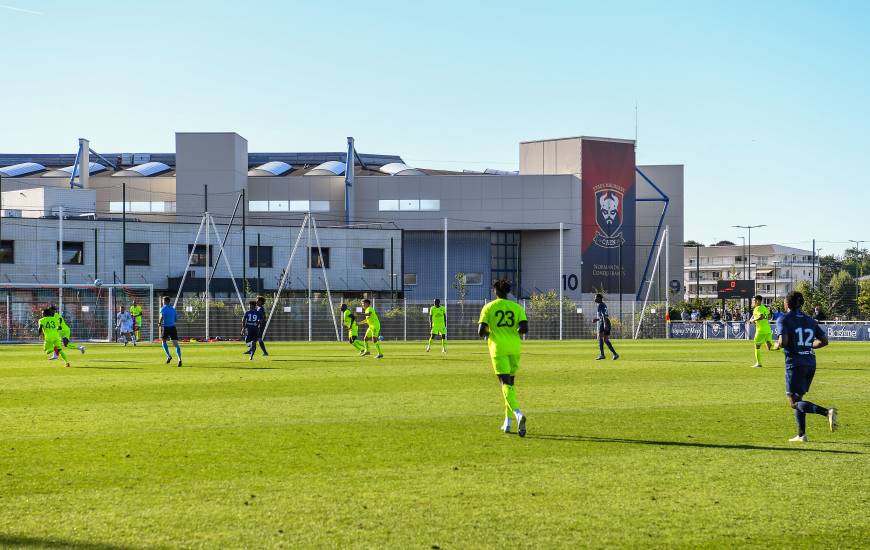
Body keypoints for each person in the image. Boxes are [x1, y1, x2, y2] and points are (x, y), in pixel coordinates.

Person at [773, 291, 838, 442]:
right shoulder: (810, 320)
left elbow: (783, 342)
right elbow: (824, 341)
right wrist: (807, 346)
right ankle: (802, 435)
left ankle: (827, 412)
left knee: (793, 402)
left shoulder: (784, 319)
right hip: (810, 362)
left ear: (787, 304)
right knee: (799, 398)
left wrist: (776, 345)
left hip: (795, 363)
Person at [478, 279, 529, 436]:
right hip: (514, 348)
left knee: (504, 384)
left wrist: (491, 333)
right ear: (507, 291)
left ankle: (518, 413)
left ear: (495, 291)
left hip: (498, 348)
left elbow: (481, 331)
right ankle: (508, 422)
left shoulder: (489, 307)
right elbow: (524, 329)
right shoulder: (517, 307)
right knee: (510, 386)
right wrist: (513, 329)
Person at [748, 295, 775, 368]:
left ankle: (758, 363)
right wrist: (758, 320)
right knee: (770, 347)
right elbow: (769, 316)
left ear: (757, 301)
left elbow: (761, 316)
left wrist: (753, 320)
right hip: (767, 329)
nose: (753, 302)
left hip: (761, 331)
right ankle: (786, 351)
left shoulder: (757, 308)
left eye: (754, 300)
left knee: (757, 346)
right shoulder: (764, 307)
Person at [594, 293, 619, 360]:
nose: (595, 299)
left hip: (604, 322)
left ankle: (602, 355)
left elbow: (604, 315)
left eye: (596, 297)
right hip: (606, 321)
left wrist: (604, 324)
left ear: (599, 298)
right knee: (605, 339)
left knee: (600, 337)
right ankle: (615, 354)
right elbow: (604, 315)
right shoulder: (603, 304)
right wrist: (597, 319)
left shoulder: (600, 305)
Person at [159, 296, 182, 367]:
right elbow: (176, 320)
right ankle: (179, 359)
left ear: (165, 301)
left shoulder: (163, 308)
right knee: (176, 344)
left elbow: (162, 316)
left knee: (163, 341)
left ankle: (169, 356)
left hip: (166, 328)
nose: (162, 302)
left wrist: (159, 323)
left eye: (163, 301)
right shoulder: (173, 309)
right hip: (173, 328)